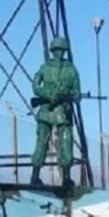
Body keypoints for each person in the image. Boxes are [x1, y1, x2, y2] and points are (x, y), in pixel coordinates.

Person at [30, 36, 81, 188]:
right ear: (53, 51)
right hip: (46, 110)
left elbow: (77, 91)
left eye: (62, 50)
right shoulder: (45, 68)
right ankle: (35, 174)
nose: (60, 53)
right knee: (41, 144)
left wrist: (74, 97)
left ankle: (66, 176)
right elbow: (35, 86)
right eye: (57, 50)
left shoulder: (71, 70)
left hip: (63, 111)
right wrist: (48, 95)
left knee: (66, 143)